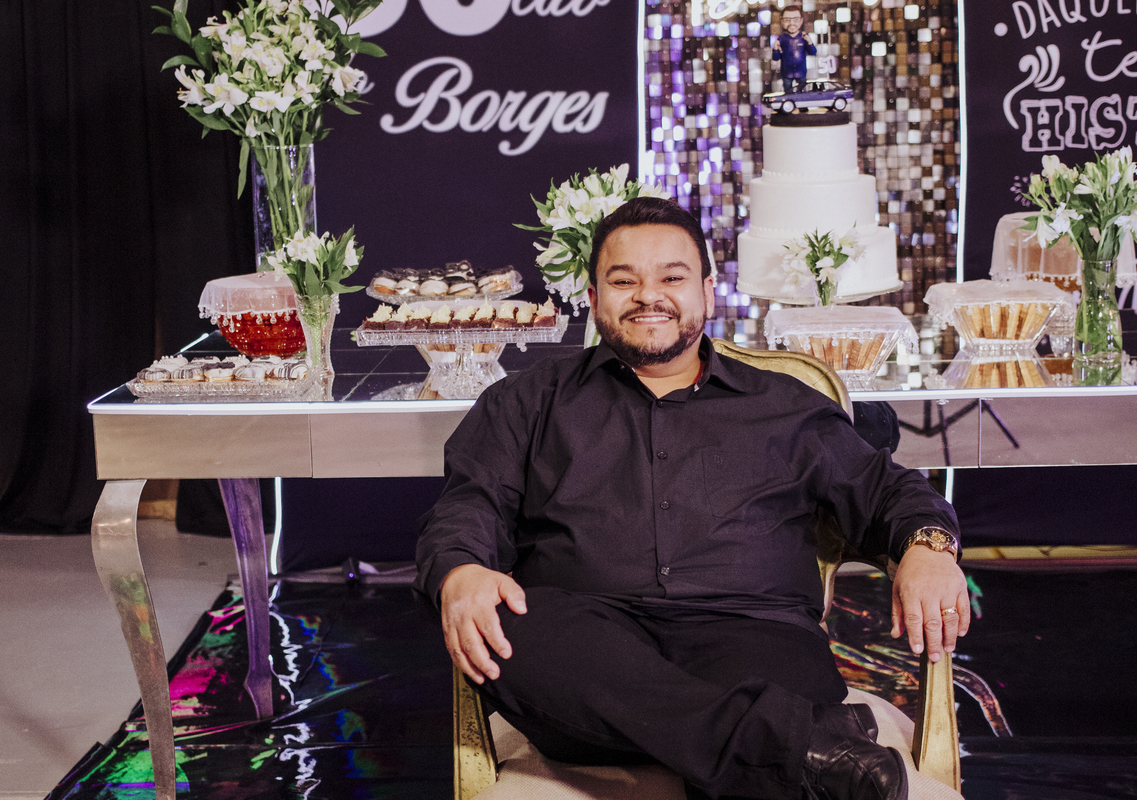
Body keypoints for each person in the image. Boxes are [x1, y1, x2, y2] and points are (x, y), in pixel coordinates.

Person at [415, 197, 969, 800]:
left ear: (706, 291)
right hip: (588, 653)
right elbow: (468, 506)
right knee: (511, 623)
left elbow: (887, 490)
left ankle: (767, 745)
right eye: (623, 281)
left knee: (764, 687)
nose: (648, 296)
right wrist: (461, 569)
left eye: (672, 278)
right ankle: (799, 746)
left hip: (752, 639)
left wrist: (929, 546)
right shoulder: (524, 403)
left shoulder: (787, 406)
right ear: (594, 298)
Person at [772, 5, 816, 95]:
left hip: (801, 72)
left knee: (802, 91)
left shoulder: (803, 37)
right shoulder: (781, 38)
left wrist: (810, 42)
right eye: (787, 20)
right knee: (788, 92)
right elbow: (776, 58)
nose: (792, 23)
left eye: (795, 20)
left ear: (801, 21)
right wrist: (775, 49)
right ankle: (788, 103)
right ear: (782, 21)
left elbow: (813, 52)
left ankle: (802, 103)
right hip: (786, 72)